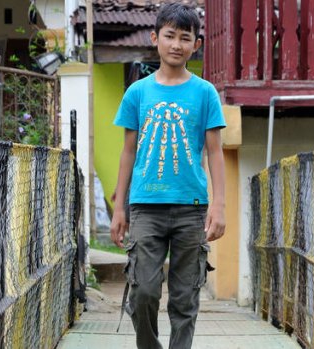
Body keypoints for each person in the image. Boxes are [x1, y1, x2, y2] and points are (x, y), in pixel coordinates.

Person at [109, 3, 226, 349]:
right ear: (155, 38)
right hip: (146, 205)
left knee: (184, 298)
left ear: (196, 44)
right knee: (143, 291)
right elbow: (128, 151)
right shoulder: (137, 93)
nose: (176, 44)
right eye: (170, 36)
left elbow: (215, 151)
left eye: (184, 38)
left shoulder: (205, 93)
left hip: (192, 208)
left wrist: (218, 206)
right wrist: (119, 209)